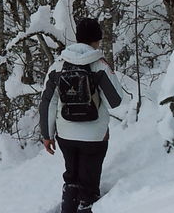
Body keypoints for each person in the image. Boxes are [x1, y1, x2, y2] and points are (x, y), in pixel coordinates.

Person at [39, 18, 124, 213]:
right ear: (96, 40)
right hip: (95, 136)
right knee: (89, 180)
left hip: (66, 135)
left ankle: (68, 207)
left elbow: (47, 103)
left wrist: (47, 135)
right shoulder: (99, 66)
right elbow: (116, 101)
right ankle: (87, 205)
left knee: (72, 176)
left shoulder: (57, 66)